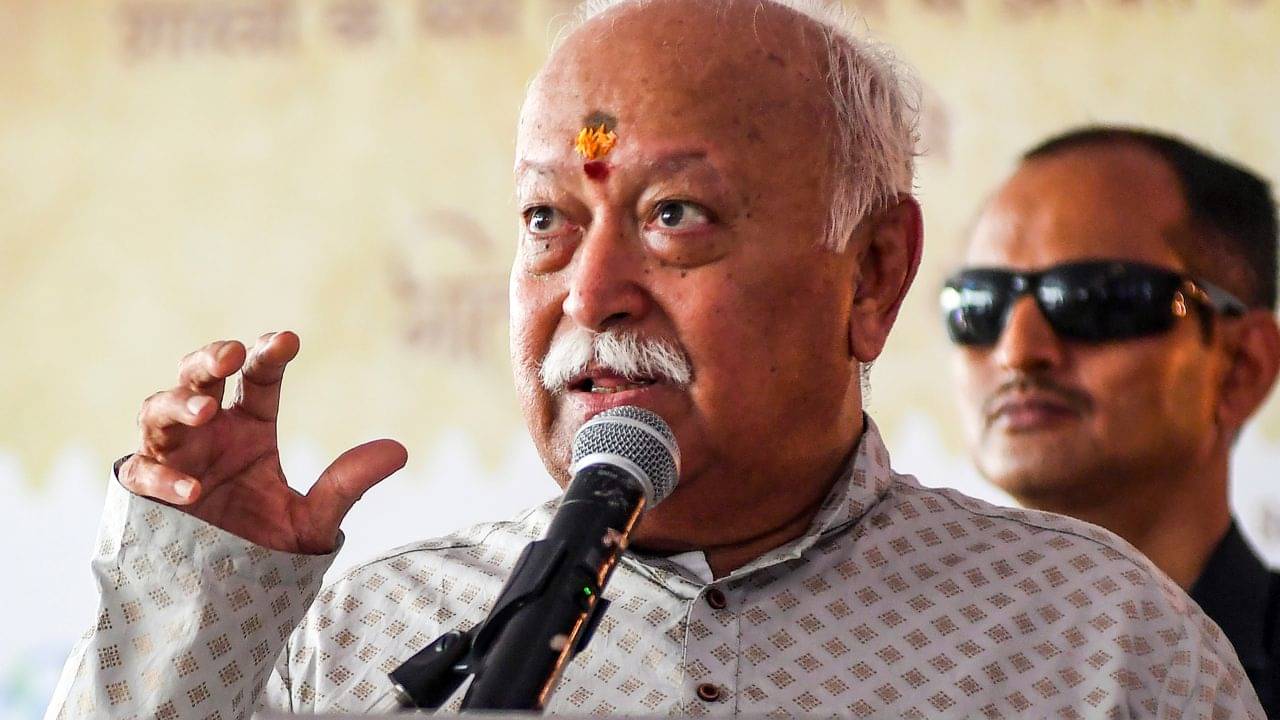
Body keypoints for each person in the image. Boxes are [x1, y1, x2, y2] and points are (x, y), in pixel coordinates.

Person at [49, 3, 1262, 718]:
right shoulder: (363, 639)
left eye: (675, 215)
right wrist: (196, 604)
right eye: (546, 220)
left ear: (871, 273)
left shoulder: (1101, 646)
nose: (588, 292)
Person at [944, 126, 1280, 714]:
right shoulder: (908, 664)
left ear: (1240, 368)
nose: (1017, 352)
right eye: (979, 304)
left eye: (1094, 299)